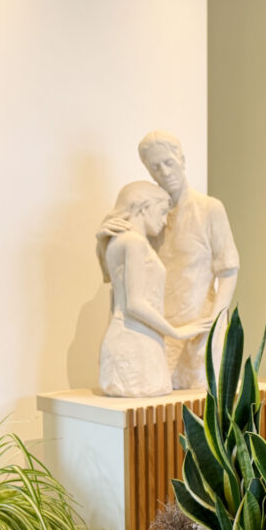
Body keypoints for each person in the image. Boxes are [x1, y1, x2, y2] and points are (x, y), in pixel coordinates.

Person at [97, 131, 240, 389]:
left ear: (181, 160)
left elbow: (228, 270)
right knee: (161, 412)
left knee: (201, 410)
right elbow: (119, 278)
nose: (164, 172)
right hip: (157, 331)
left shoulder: (209, 209)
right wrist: (102, 241)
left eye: (168, 163)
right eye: (155, 167)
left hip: (199, 326)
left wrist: (217, 321)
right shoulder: (148, 215)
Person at [99, 181, 212, 397]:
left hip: (136, 338)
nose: (163, 222)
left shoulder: (116, 242)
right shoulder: (134, 243)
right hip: (135, 341)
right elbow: (135, 303)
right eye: (161, 213)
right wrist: (176, 332)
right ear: (143, 208)